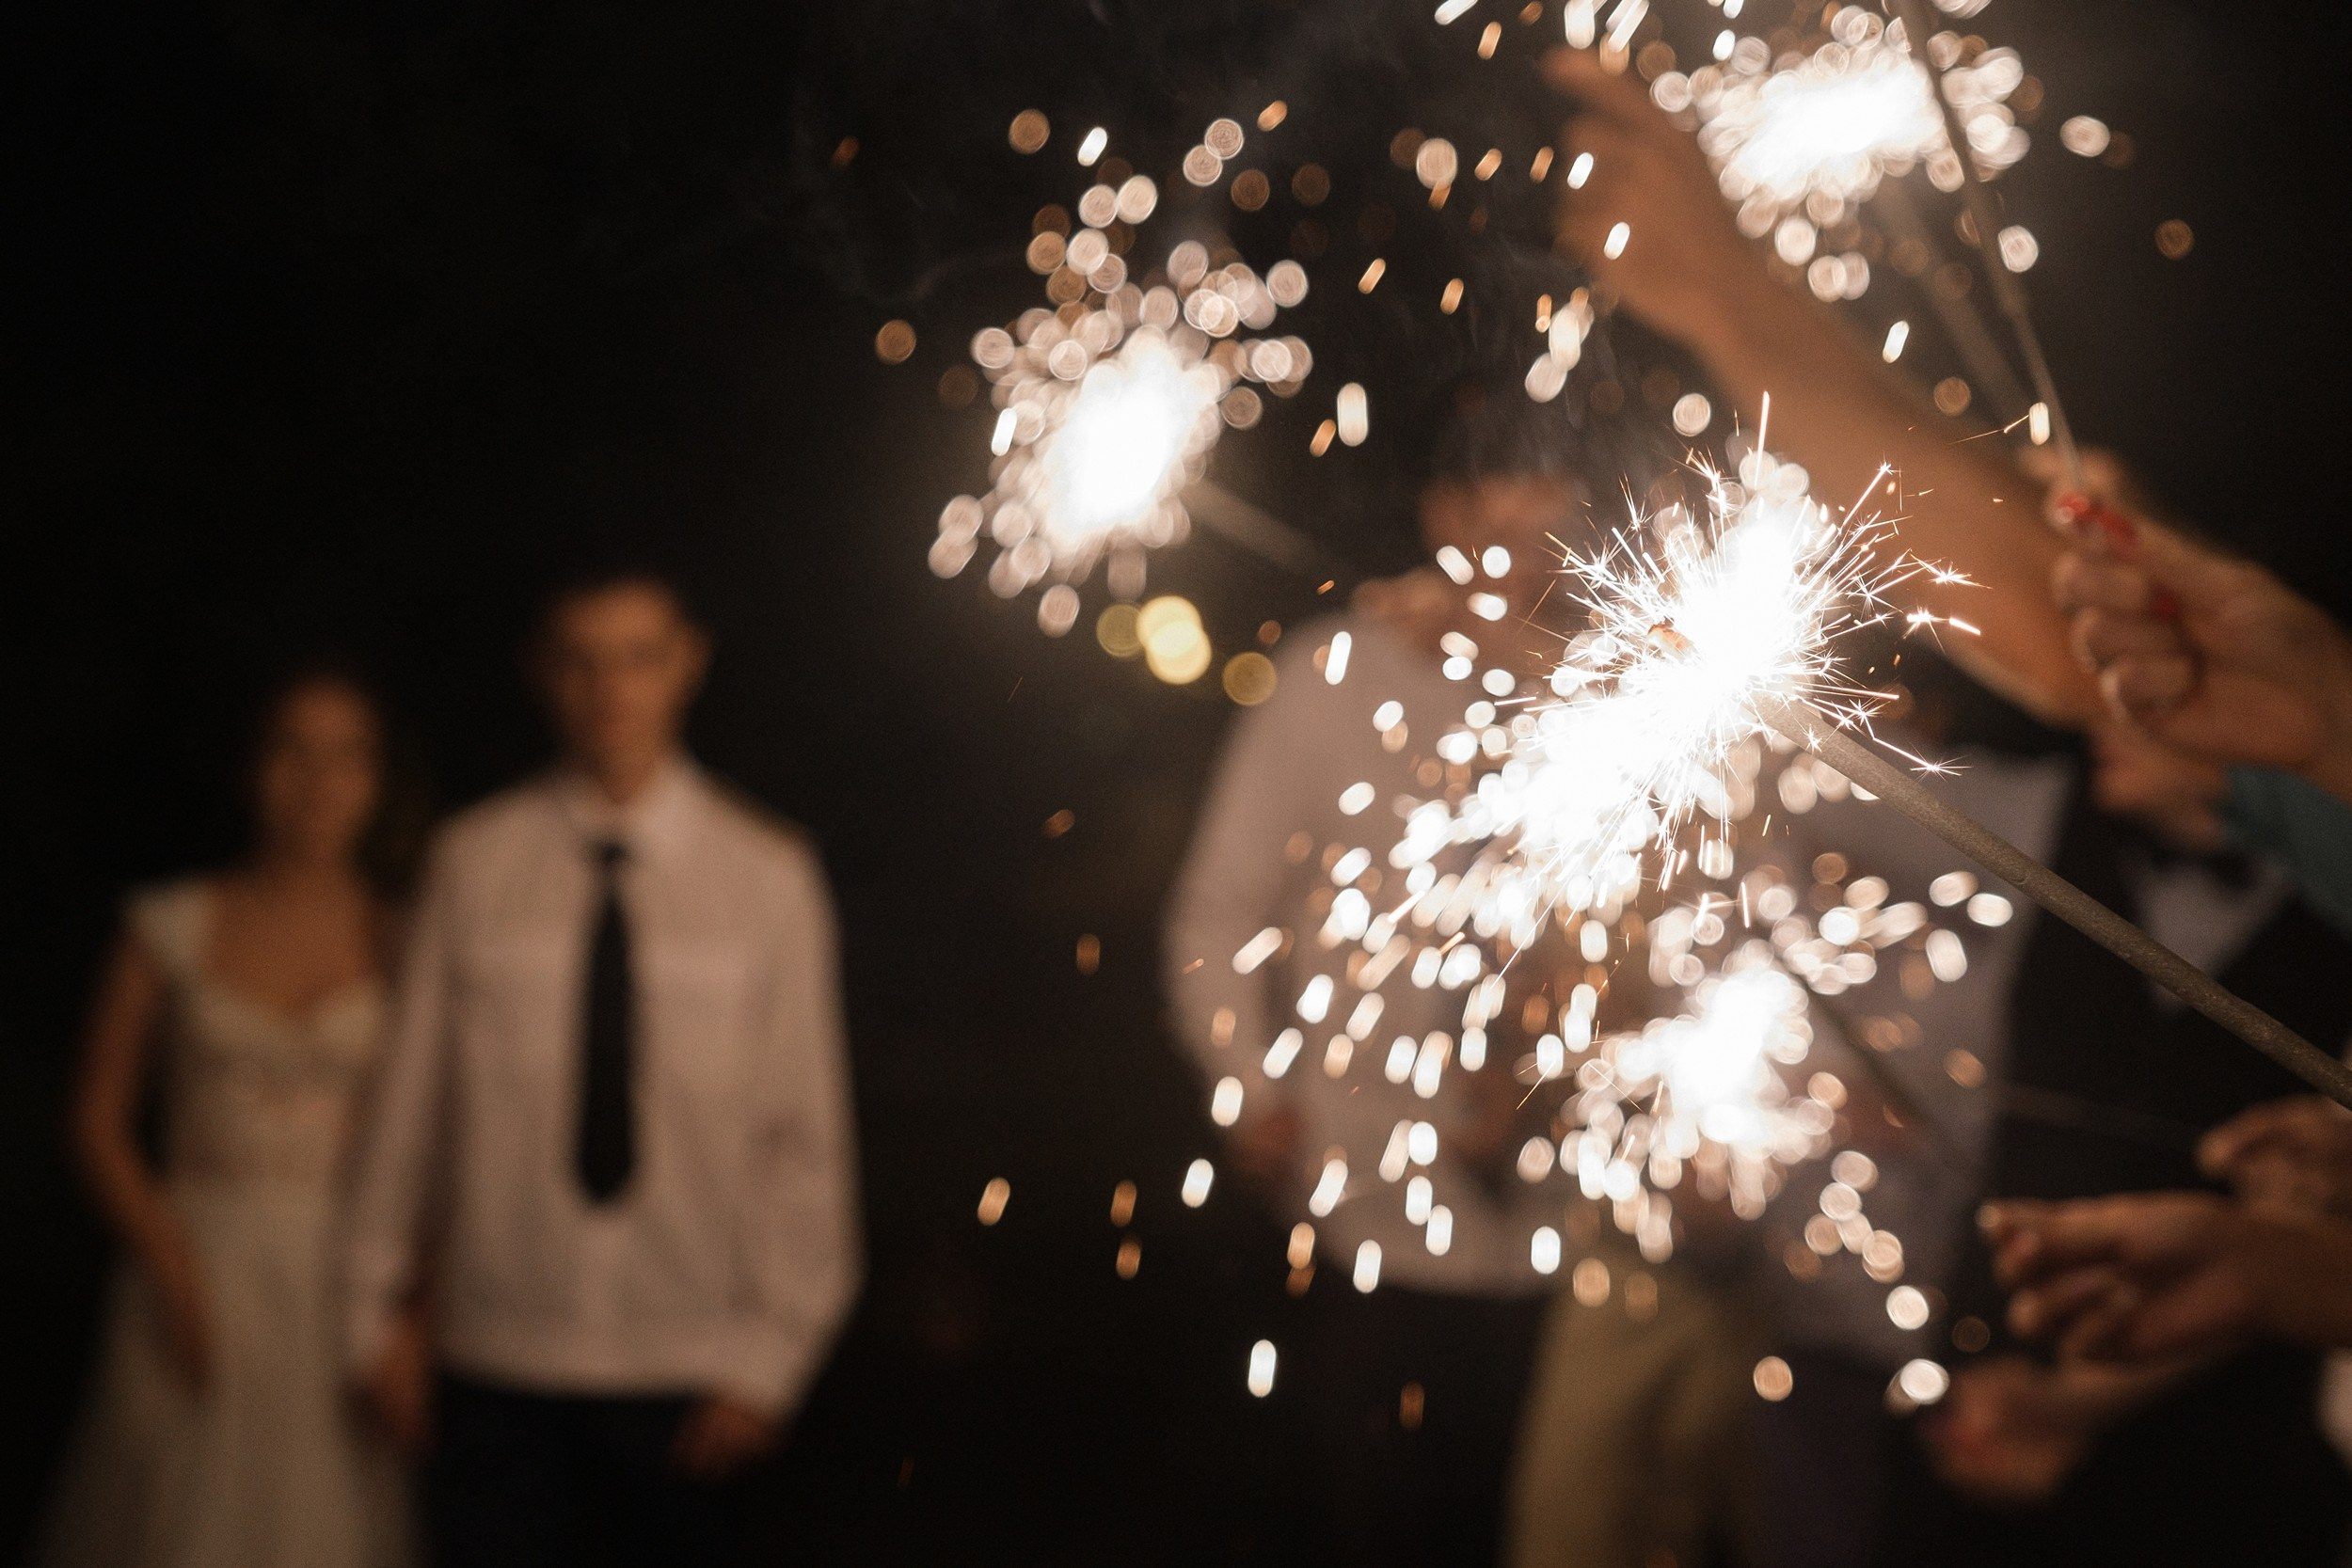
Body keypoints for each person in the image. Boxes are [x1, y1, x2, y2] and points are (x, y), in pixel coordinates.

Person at [1167, 383, 1756, 1568]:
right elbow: (1220, 909)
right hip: (1362, 1199)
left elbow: (1692, 936)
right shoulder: (1333, 673)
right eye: (1497, 537)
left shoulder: (1625, 696)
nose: (1523, 569)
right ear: (1441, 514)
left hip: (1570, 1223)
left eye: (1549, 539)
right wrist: (1253, 1081)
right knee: (1380, 1519)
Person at [341, 567, 860, 1568]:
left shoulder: (766, 874)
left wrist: (771, 1357)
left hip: (687, 1357)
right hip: (497, 1353)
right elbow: (411, 1105)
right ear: (541, 670)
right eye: (580, 660)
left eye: (638, 656)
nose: (608, 689)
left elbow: (805, 1134)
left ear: (686, 663)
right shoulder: (474, 860)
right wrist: (371, 1312)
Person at [39, 667, 416, 1568]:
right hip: (197, 1255)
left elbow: (434, 1142)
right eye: (293, 749)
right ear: (252, 767)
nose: (318, 779)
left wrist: (410, 1313)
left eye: (347, 755)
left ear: (377, 777)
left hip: (343, 1275)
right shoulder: (169, 923)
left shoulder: (409, 938)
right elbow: (95, 1117)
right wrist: (171, 1263)